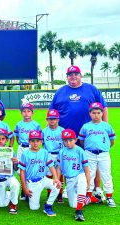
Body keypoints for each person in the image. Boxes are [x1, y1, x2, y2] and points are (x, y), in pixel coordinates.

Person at [50, 65, 108, 198]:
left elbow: (104, 107)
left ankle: (96, 188)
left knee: (93, 160)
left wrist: (104, 126)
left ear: (80, 75)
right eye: (70, 75)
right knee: (66, 159)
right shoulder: (60, 92)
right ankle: (67, 188)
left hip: (90, 134)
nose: (73, 77)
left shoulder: (91, 89)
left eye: (76, 74)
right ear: (67, 77)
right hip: (67, 134)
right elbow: (52, 112)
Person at [78, 102, 116, 207]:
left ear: (102, 113)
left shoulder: (106, 126)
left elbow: (111, 141)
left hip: (103, 154)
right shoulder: (86, 126)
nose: (96, 115)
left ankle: (109, 196)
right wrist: (90, 148)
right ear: (90, 114)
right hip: (89, 153)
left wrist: (104, 148)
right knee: (89, 174)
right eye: (93, 113)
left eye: (98, 113)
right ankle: (88, 196)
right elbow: (82, 141)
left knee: (106, 174)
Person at [57, 129, 99, 221]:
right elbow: (59, 168)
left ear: (75, 140)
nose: (68, 143)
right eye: (65, 140)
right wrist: (57, 179)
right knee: (73, 204)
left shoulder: (80, 151)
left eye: (70, 140)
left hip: (80, 175)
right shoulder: (62, 152)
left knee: (81, 183)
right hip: (69, 179)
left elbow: (86, 170)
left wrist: (88, 183)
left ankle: (79, 211)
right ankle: (92, 199)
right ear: (63, 141)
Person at [18, 130, 61, 216]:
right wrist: (24, 188)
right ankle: (27, 195)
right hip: (32, 182)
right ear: (29, 141)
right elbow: (22, 172)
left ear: (41, 141)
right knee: (34, 208)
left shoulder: (44, 152)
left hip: (43, 179)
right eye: (33, 141)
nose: (35, 143)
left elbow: (51, 166)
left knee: (57, 185)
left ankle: (48, 205)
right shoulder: (25, 154)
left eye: (38, 141)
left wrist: (56, 178)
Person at [14, 102, 41, 200]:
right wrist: (21, 144)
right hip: (22, 147)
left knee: (31, 168)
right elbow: (17, 137)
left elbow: (39, 138)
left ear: (32, 113)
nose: (26, 113)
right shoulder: (19, 124)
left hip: (32, 148)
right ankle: (23, 188)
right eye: (24, 111)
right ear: (21, 113)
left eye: (28, 111)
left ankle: (30, 189)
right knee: (20, 170)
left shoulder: (36, 125)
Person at [42, 109, 64, 203]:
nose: (52, 120)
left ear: (58, 119)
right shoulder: (44, 131)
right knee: (48, 174)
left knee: (60, 174)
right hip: (48, 154)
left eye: (54, 118)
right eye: (50, 118)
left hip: (59, 154)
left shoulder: (62, 130)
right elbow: (41, 144)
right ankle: (50, 192)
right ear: (47, 119)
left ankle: (59, 193)